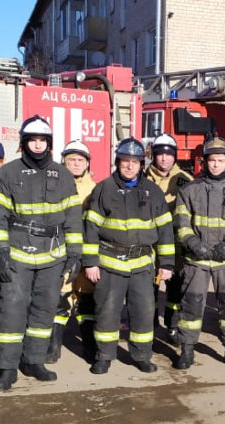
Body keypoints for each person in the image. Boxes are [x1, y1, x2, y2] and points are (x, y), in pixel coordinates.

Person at [0, 115, 83, 390]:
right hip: (18, 254)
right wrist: (1, 251)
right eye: (33, 140)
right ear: (24, 142)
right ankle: (6, 367)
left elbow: (73, 217)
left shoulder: (62, 174)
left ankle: (34, 361)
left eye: (43, 140)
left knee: (44, 311)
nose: (38, 145)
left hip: (53, 256)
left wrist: (75, 254)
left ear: (49, 143)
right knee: (11, 310)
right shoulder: (8, 173)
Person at [82, 138, 174, 374]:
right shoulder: (104, 188)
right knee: (107, 312)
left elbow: (164, 229)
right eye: (125, 161)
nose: (129, 166)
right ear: (118, 162)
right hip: (110, 262)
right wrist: (90, 262)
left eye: (135, 162)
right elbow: (90, 227)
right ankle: (104, 356)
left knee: (143, 312)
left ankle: (141, 355)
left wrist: (166, 263)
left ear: (141, 164)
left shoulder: (152, 191)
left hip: (142, 265)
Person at [172, 137, 225, 370]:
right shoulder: (189, 190)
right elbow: (181, 222)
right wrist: (193, 243)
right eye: (212, 160)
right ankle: (187, 350)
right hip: (196, 260)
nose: (216, 164)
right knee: (192, 305)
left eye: (220, 160)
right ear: (204, 162)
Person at [46, 139, 98, 364]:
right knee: (61, 297)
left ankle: (89, 345)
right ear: (63, 162)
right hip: (61, 250)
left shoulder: (96, 189)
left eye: (80, 160)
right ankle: (53, 347)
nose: (76, 164)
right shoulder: (54, 184)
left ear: (87, 163)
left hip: (86, 251)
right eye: (72, 160)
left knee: (87, 299)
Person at [144, 132, 193, 345]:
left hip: (176, 245)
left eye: (168, 154)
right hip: (149, 243)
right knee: (148, 289)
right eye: (160, 154)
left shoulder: (184, 180)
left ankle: (173, 327)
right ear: (153, 155)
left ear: (175, 156)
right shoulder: (142, 178)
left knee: (175, 288)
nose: (164, 158)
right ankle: (149, 326)